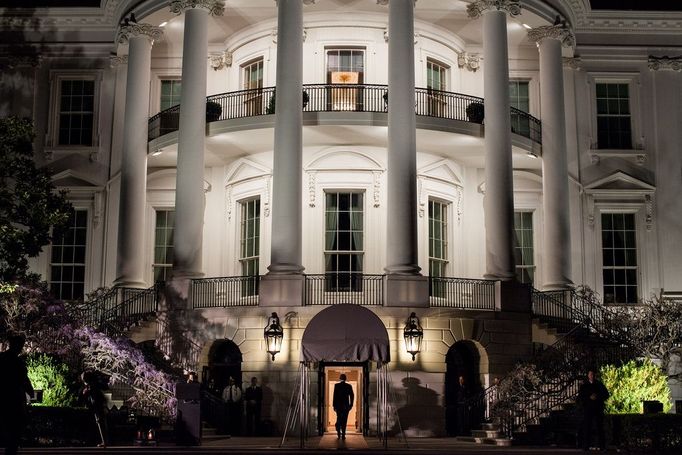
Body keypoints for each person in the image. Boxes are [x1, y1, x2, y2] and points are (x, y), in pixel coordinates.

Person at [0, 334, 34, 455]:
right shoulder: (17, 362)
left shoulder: (2, 358)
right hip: (14, 398)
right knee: (14, 429)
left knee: (8, 428)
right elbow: (24, 379)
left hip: (4, 397)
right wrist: (30, 391)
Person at [578, 369, 609, 451]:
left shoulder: (599, 384)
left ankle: (602, 446)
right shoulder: (584, 385)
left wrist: (597, 397)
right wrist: (589, 398)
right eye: (590, 374)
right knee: (587, 427)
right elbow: (581, 397)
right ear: (588, 375)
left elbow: (606, 394)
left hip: (598, 408)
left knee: (600, 427)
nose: (592, 376)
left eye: (593, 374)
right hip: (588, 409)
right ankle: (586, 446)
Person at [81, 371, 109, 448]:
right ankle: (104, 441)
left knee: (100, 422)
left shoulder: (92, 385)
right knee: (100, 422)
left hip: (97, 405)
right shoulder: (93, 384)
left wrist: (86, 391)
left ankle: (104, 442)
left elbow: (92, 394)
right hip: (98, 405)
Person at [333, 374, 354, 440]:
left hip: (338, 406)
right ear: (345, 379)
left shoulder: (337, 386)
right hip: (345, 406)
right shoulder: (348, 386)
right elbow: (352, 396)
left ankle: (339, 432)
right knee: (344, 420)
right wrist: (351, 405)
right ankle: (343, 434)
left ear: (340, 378)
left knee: (339, 419)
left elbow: (335, 396)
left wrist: (334, 405)